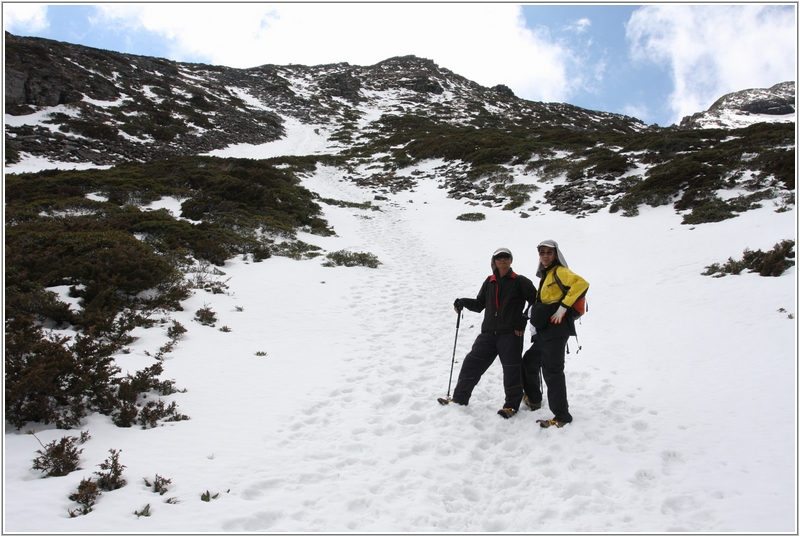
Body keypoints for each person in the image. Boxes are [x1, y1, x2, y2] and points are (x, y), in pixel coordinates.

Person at [440, 247, 538, 419]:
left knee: (511, 370)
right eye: (498, 257)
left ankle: (511, 406)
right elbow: (479, 304)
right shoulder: (490, 281)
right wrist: (463, 301)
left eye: (506, 257)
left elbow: (536, 302)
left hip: (511, 334)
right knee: (471, 363)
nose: (502, 259)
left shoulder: (520, 281)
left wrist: (523, 318)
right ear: (494, 261)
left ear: (511, 260)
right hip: (488, 334)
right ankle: (459, 399)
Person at [521, 239, 589, 428]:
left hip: (556, 329)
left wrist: (563, 307)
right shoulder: (547, 274)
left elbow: (581, 283)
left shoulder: (560, 271)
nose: (545, 256)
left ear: (556, 254)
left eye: (549, 253)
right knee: (529, 362)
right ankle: (534, 399)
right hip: (546, 331)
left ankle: (561, 416)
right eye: (542, 252)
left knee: (552, 372)